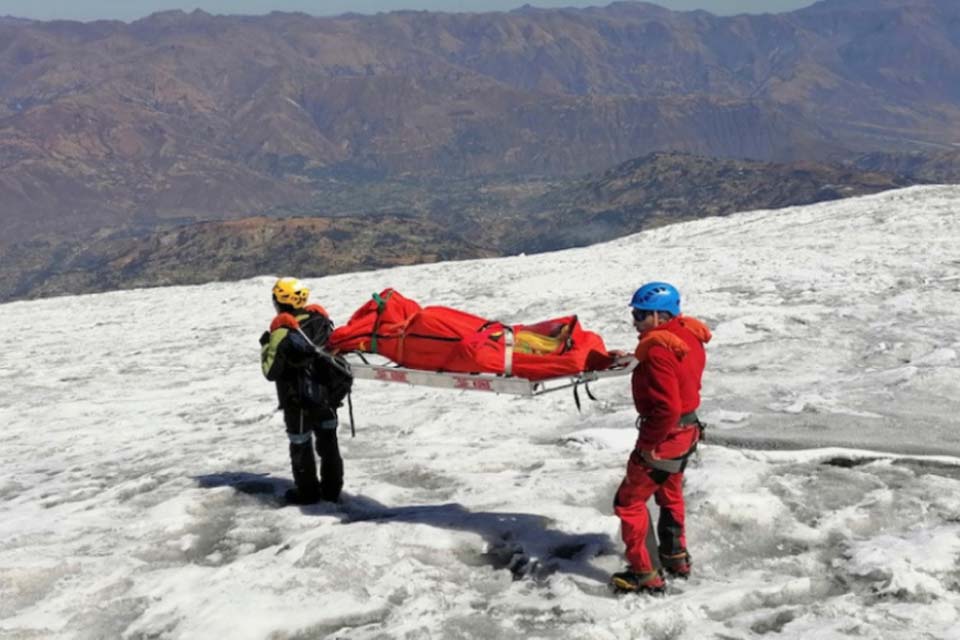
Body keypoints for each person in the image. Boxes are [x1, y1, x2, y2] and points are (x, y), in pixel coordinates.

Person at [610, 281, 712, 595]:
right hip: (687, 431)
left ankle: (645, 573)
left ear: (658, 314)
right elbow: (675, 366)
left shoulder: (657, 349)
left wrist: (648, 446)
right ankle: (675, 557)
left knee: (629, 502)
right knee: (669, 494)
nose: (635, 321)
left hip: (666, 437)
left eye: (640, 315)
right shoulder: (686, 334)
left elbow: (666, 407)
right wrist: (634, 356)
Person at [260, 277, 352, 505]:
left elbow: (270, 371)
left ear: (279, 301)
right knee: (328, 443)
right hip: (328, 397)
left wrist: (265, 346)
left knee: (301, 444)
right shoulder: (322, 321)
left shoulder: (282, 332)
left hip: (297, 400)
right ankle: (332, 491)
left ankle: (308, 494)